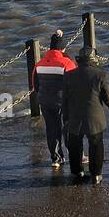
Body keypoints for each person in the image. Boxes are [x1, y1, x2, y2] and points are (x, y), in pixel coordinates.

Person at [62, 46, 109, 184]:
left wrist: (66, 117)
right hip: (94, 119)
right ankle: (96, 175)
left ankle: (77, 172)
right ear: (94, 59)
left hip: (75, 118)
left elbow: (65, 100)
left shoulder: (69, 75)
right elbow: (108, 98)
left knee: (75, 146)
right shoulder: (100, 75)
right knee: (96, 146)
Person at [32, 30, 76, 168]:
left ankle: (56, 158)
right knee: (68, 128)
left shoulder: (39, 64)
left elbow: (35, 84)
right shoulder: (67, 63)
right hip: (63, 102)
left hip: (45, 102)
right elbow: (74, 84)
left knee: (51, 129)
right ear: (63, 49)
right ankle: (75, 155)